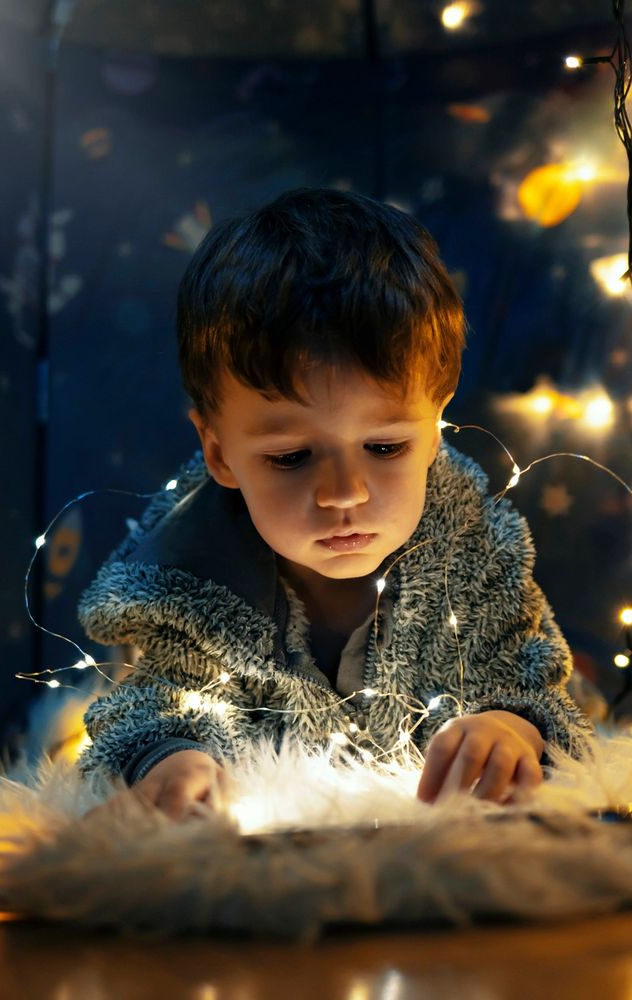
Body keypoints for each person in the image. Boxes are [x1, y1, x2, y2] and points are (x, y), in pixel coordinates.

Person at [77, 188, 591, 820]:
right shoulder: (188, 580)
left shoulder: (473, 558)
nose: (345, 492)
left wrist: (510, 729)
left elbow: (534, 687)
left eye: (385, 446)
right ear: (219, 453)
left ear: (434, 430)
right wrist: (172, 761)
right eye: (291, 457)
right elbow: (144, 712)